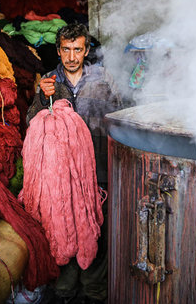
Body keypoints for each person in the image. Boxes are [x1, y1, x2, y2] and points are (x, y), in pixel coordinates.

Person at [26, 22, 123, 304]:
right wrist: (42, 100)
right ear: (58, 51)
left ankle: (94, 291)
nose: (71, 57)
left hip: (99, 169)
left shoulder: (104, 79)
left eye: (77, 50)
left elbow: (120, 117)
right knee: (62, 226)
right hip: (60, 172)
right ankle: (65, 289)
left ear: (86, 50)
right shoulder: (47, 80)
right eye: (66, 50)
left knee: (95, 227)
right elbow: (31, 125)